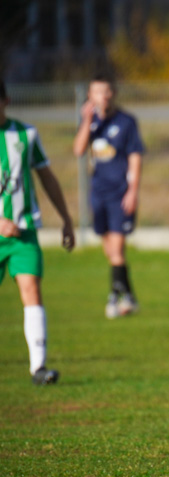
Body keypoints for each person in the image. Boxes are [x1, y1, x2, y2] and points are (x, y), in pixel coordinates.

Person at [0, 80, 76, 385]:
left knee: (31, 290)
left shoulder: (25, 134)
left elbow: (47, 177)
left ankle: (38, 368)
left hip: (23, 233)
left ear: (5, 100)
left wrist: (66, 218)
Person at [73, 74, 144, 319]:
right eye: (96, 93)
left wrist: (133, 191)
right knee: (111, 252)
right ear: (90, 97)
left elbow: (135, 156)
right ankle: (129, 297)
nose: (101, 97)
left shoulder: (126, 122)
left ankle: (114, 298)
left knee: (117, 249)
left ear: (111, 94)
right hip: (99, 193)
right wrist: (86, 121)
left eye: (105, 92)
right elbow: (78, 150)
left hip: (120, 194)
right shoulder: (91, 123)